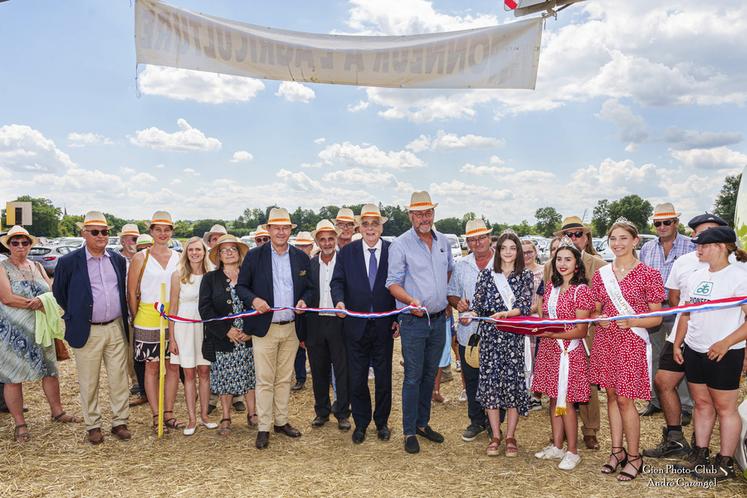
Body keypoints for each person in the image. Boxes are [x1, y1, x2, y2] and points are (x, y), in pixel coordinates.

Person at [644, 213, 728, 459]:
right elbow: (675, 299)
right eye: (700, 233)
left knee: (710, 397)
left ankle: (710, 449)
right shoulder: (685, 261)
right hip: (683, 334)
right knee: (663, 381)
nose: (704, 236)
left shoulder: (738, 264)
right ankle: (675, 439)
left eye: (711, 231)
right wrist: (680, 333)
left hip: (719, 339)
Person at [591, 218, 665, 481]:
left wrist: (632, 320)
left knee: (625, 399)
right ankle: (616, 450)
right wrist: (598, 316)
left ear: (635, 241)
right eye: (613, 238)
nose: (617, 243)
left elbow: (656, 318)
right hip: (606, 340)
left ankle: (634, 456)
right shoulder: (601, 275)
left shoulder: (649, 274)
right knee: (611, 397)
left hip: (632, 341)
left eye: (623, 238)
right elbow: (597, 309)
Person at [672, 226, 747, 481]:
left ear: (722, 246)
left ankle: (725, 463)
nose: (698, 249)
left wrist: (726, 342)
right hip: (695, 348)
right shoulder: (696, 276)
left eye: (703, 245)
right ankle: (700, 454)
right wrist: (678, 343)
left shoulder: (740, 277)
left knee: (725, 408)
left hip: (724, 353)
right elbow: (686, 312)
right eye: (697, 245)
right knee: (702, 404)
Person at [53, 211, 131, 444]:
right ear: (83, 234)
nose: (101, 236)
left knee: (119, 379)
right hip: (87, 329)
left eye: (105, 232)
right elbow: (60, 293)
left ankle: (120, 422)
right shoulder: (68, 262)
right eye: (95, 232)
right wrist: (78, 313)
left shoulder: (117, 260)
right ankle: (93, 425)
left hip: (116, 327)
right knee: (89, 380)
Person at [237, 207, 312, 449]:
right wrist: (254, 300)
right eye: (276, 227)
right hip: (264, 328)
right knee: (265, 379)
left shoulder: (301, 257)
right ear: (268, 230)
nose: (281, 232)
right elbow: (241, 287)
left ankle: (281, 421)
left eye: (285, 227)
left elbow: (310, 288)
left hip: (291, 327)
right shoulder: (254, 256)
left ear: (291, 230)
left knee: (284, 379)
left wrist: (305, 301)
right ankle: (263, 426)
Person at [386, 192, 453, 454]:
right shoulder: (400, 245)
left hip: (437, 320)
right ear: (411, 216)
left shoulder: (443, 241)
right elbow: (392, 283)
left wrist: (443, 296)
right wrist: (411, 301)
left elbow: (448, 270)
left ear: (433, 214)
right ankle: (409, 431)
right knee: (413, 376)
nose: (424, 218)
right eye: (419, 213)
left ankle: (423, 423)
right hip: (413, 321)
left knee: (429, 374)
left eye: (428, 213)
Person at [1, 225, 81, 442]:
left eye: (24, 242)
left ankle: (58, 412)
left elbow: (52, 291)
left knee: (50, 371)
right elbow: (6, 298)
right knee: (12, 376)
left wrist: (44, 301)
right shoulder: (2, 267)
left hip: (42, 329)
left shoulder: (37, 265)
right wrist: (34, 303)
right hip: (13, 332)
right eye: (15, 242)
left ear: (30, 245)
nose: (20, 246)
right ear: (8, 245)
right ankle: (20, 423)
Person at [331, 204, 398, 444]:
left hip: (383, 326)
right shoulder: (347, 253)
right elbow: (337, 282)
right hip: (354, 326)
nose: (370, 228)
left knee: (383, 378)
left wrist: (397, 317)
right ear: (359, 227)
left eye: (375, 224)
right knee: (357, 378)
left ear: (381, 227)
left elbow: (400, 285)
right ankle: (361, 423)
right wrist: (339, 301)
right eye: (366, 224)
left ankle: (382, 423)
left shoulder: (393, 251)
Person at [464, 230, 533, 458]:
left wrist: (506, 313)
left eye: (513, 248)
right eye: (504, 248)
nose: (508, 252)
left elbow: (523, 306)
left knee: (513, 386)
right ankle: (496, 434)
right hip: (491, 338)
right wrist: (470, 314)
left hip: (512, 336)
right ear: (498, 250)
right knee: (491, 386)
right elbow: (478, 303)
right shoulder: (487, 275)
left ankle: (511, 435)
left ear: (518, 252)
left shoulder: (525, 276)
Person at [544, 215, 607, 450]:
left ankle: (590, 430)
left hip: (586, 334)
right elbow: (546, 301)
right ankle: (559, 437)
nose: (573, 238)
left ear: (586, 236)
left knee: (586, 385)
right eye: (567, 235)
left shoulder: (599, 264)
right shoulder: (551, 266)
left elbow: (603, 301)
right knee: (557, 388)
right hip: (556, 336)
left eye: (577, 234)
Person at [531, 240, 594, 470]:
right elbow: (546, 316)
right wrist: (539, 328)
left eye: (568, 259)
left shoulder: (582, 290)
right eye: (559, 259)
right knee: (552, 399)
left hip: (569, 351)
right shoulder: (550, 287)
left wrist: (548, 333)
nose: (562, 264)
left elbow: (581, 329)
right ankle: (557, 446)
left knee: (566, 402)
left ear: (577, 264)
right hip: (550, 350)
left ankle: (573, 451)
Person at [638, 203, 696, 419]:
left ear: (676, 223)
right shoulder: (646, 248)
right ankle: (656, 400)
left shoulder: (691, 246)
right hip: (653, 308)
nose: (662, 226)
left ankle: (685, 405)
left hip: (679, 308)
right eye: (657, 223)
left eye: (667, 222)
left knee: (678, 356)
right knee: (653, 355)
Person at [127, 211, 182, 433]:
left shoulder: (179, 257)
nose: (162, 233)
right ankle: (156, 414)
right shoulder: (141, 258)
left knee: (173, 366)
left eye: (166, 229)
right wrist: (136, 317)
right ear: (150, 232)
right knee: (151, 366)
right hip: (148, 318)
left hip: (175, 316)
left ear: (171, 232)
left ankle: (169, 413)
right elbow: (131, 292)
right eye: (158, 229)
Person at [199, 234, 256, 436]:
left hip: (247, 336)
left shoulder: (249, 275)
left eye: (233, 249)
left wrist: (250, 331)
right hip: (223, 337)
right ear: (219, 255)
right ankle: (225, 416)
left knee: (251, 375)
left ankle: (253, 413)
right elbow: (205, 309)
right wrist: (226, 331)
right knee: (223, 378)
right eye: (224, 250)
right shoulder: (210, 279)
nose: (229, 253)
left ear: (239, 253)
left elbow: (257, 303)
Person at [447, 219, 495, 442]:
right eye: (473, 239)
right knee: (472, 378)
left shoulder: (503, 262)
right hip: (469, 333)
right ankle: (476, 421)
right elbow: (452, 293)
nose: (478, 243)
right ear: (467, 242)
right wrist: (459, 304)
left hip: (498, 333)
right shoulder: (462, 265)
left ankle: (496, 422)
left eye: (481, 237)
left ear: (489, 238)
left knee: (495, 378)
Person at [168, 237, 219, 435]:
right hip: (184, 328)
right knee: (189, 374)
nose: (195, 253)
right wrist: (171, 338)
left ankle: (205, 416)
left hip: (205, 328)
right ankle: (191, 419)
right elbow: (172, 307)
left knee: (205, 371)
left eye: (198, 249)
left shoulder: (212, 275)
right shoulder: (178, 275)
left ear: (204, 252)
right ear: (186, 253)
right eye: (191, 250)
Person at [304, 220, 351, 431]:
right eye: (322, 239)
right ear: (317, 242)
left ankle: (342, 412)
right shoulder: (311, 264)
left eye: (330, 238)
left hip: (339, 323)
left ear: (336, 239)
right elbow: (305, 291)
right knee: (318, 370)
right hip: (315, 323)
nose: (327, 243)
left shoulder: (346, 261)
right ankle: (321, 412)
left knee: (342, 371)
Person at [291, 230, 315, 391]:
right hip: (296, 311)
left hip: (312, 312)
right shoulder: (292, 264)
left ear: (311, 246)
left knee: (314, 347)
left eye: (305, 246)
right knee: (298, 346)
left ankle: (321, 375)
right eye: (298, 246)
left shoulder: (316, 263)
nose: (301, 249)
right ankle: (300, 378)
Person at [522, 239, 544, 411]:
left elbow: (542, 298)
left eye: (530, 251)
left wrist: (527, 310)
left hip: (537, 318)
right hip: (520, 321)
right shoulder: (516, 273)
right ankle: (523, 391)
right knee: (524, 355)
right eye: (523, 252)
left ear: (535, 252)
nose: (526, 255)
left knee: (538, 356)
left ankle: (536, 395)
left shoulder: (544, 271)